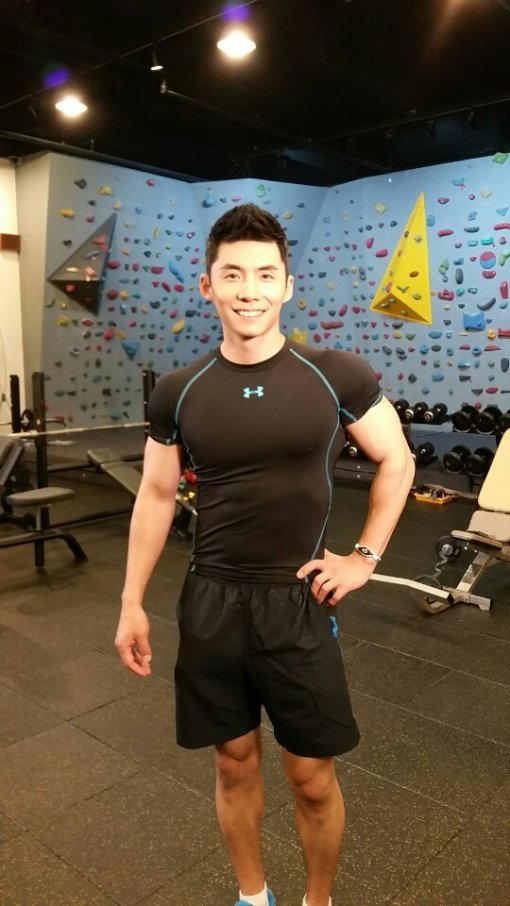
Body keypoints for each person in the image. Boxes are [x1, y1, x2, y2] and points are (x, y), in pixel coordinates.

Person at [115, 203, 415, 906]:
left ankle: (318, 900)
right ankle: (253, 897)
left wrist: (364, 557)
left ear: (286, 285)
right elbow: (155, 495)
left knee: (311, 775)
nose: (249, 290)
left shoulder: (336, 374)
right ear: (207, 286)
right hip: (212, 600)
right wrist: (130, 601)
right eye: (232, 274)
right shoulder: (178, 391)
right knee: (233, 764)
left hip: (298, 600)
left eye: (264, 274)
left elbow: (397, 460)